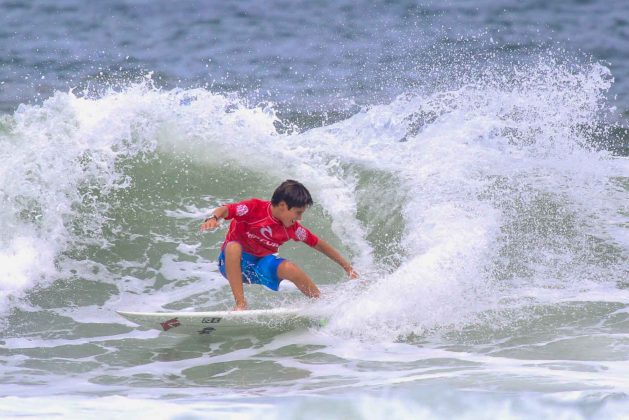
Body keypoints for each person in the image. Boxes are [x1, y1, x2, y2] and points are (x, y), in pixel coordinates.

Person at [200, 179, 358, 310]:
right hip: (232, 265)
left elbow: (319, 244)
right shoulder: (253, 208)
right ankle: (240, 305)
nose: (299, 218)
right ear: (282, 205)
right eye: (298, 212)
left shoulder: (293, 229)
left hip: (259, 268)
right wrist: (213, 218)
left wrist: (347, 268)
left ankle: (321, 304)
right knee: (233, 247)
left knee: (290, 268)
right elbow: (226, 209)